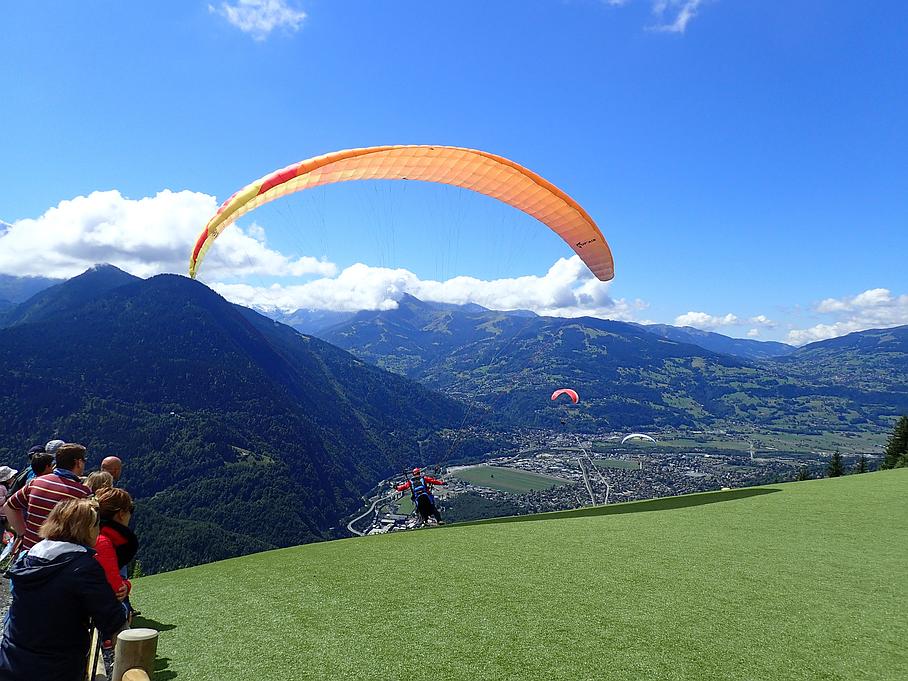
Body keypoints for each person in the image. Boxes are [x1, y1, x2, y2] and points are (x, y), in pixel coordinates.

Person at [0, 498, 127, 681]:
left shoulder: (28, 559)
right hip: (56, 669)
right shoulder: (83, 567)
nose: (99, 531)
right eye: (97, 525)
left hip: (11, 661)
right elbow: (113, 620)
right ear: (85, 529)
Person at [3, 443, 92, 553]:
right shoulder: (82, 493)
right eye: (84, 461)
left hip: (29, 554)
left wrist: (23, 534)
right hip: (58, 559)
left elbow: (9, 507)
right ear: (78, 462)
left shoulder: (36, 482)